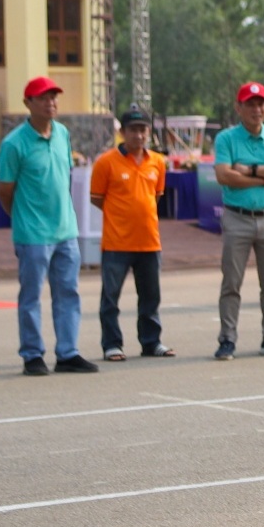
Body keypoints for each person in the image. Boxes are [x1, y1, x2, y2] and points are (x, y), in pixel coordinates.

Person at [0, 76, 98, 376]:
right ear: (28, 103)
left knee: (68, 292)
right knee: (31, 296)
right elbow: (5, 190)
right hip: (33, 234)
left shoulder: (62, 133)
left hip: (66, 230)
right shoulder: (14, 143)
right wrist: (21, 219)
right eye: (42, 97)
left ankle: (68, 352)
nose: (50, 102)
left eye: (53, 97)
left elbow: (63, 178)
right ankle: (32, 354)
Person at [212, 81, 264, 360]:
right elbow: (224, 176)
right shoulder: (226, 138)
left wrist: (249, 171)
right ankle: (227, 339)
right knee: (232, 283)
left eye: (260, 104)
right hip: (237, 218)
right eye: (249, 104)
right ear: (239, 107)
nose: (256, 109)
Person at [90, 104, 172, 362]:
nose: (138, 135)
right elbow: (97, 198)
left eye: (143, 130)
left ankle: (151, 341)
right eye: (133, 130)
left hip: (149, 241)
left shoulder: (157, 162)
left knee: (150, 298)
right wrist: (121, 215)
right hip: (116, 243)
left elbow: (156, 196)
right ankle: (112, 344)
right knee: (111, 299)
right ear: (123, 132)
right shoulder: (106, 162)